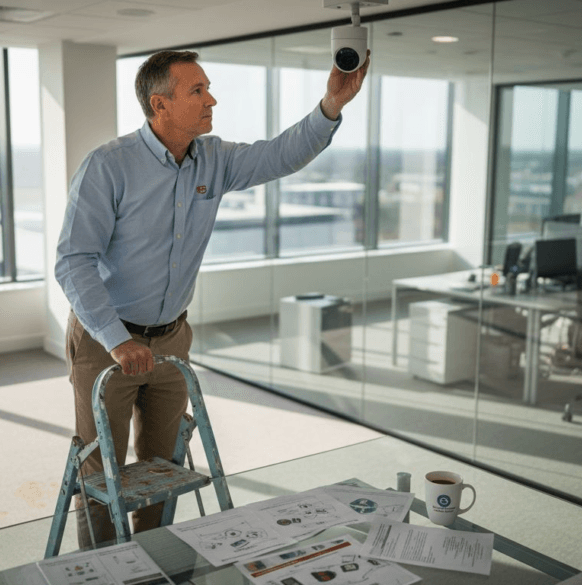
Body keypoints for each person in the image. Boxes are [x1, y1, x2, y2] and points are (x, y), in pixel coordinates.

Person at [54, 49, 370, 546]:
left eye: (207, 88)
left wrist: (331, 105)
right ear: (160, 105)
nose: (211, 99)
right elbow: (73, 261)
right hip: (106, 340)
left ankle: (153, 560)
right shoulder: (108, 166)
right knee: (102, 473)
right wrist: (117, 340)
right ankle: (102, 569)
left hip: (172, 338)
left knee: (163, 465)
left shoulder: (215, 158)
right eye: (197, 91)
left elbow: (280, 154)